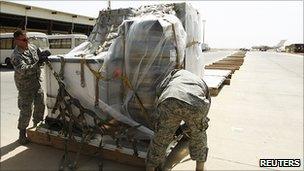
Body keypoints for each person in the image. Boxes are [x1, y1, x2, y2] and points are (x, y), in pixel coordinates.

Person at [146, 69, 211, 171]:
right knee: (199, 136)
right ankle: (200, 167)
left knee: (161, 138)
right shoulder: (200, 81)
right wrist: (191, 127)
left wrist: (160, 118)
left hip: (170, 100)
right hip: (196, 104)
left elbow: (159, 90)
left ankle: (151, 168)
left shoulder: (175, 73)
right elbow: (205, 108)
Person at [10, 30, 50, 145]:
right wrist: (37, 63)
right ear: (17, 41)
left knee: (40, 106)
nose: (26, 41)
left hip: (36, 83)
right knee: (26, 110)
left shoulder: (32, 47)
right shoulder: (16, 55)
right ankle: (22, 135)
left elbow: (39, 56)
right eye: (24, 40)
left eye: (27, 38)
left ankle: (36, 128)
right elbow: (23, 70)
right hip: (25, 87)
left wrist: (43, 56)